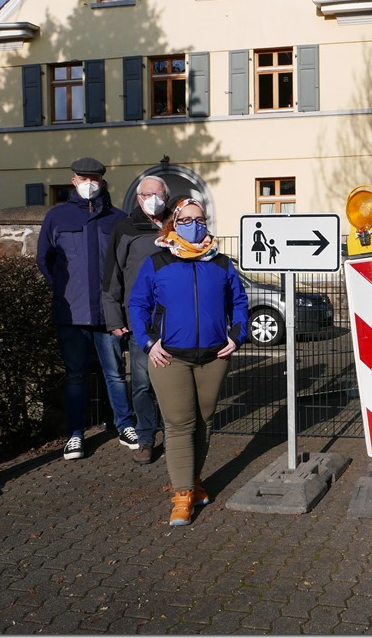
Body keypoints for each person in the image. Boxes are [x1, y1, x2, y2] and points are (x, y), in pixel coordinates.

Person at [129, 198, 249, 526]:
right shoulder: (157, 262)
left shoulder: (222, 264)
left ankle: (194, 481)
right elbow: (137, 304)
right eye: (186, 219)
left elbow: (239, 301)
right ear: (174, 223)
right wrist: (148, 343)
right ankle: (182, 494)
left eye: (199, 219)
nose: (193, 224)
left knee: (205, 421)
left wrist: (236, 336)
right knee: (180, 424)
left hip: (213, 357)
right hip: (170, 358)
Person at [37, 157, 134, 460]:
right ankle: (75, 434)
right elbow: (45, 260)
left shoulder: (118, 218)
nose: (89, 183)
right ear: (74, 181)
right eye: (83, 177)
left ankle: (125, 424)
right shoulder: (57, 217)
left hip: (109, 314)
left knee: (115, 373)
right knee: (75, 376)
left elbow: (125, 263)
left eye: (95, 178)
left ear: (102, 182)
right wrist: (66, 291)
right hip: (72, 314)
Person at [102, 176, 171, 465]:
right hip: (141, 321)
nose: (151, 199)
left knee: (172, 384)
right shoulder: (125, 228)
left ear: (166, 197)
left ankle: (176, 435)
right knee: (142, 383)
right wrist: (114, 317)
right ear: (138, 198)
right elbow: (112, 275)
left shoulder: (178, 224)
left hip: (175, 320)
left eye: (156, 194)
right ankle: (146, 438)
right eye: (145, 194)